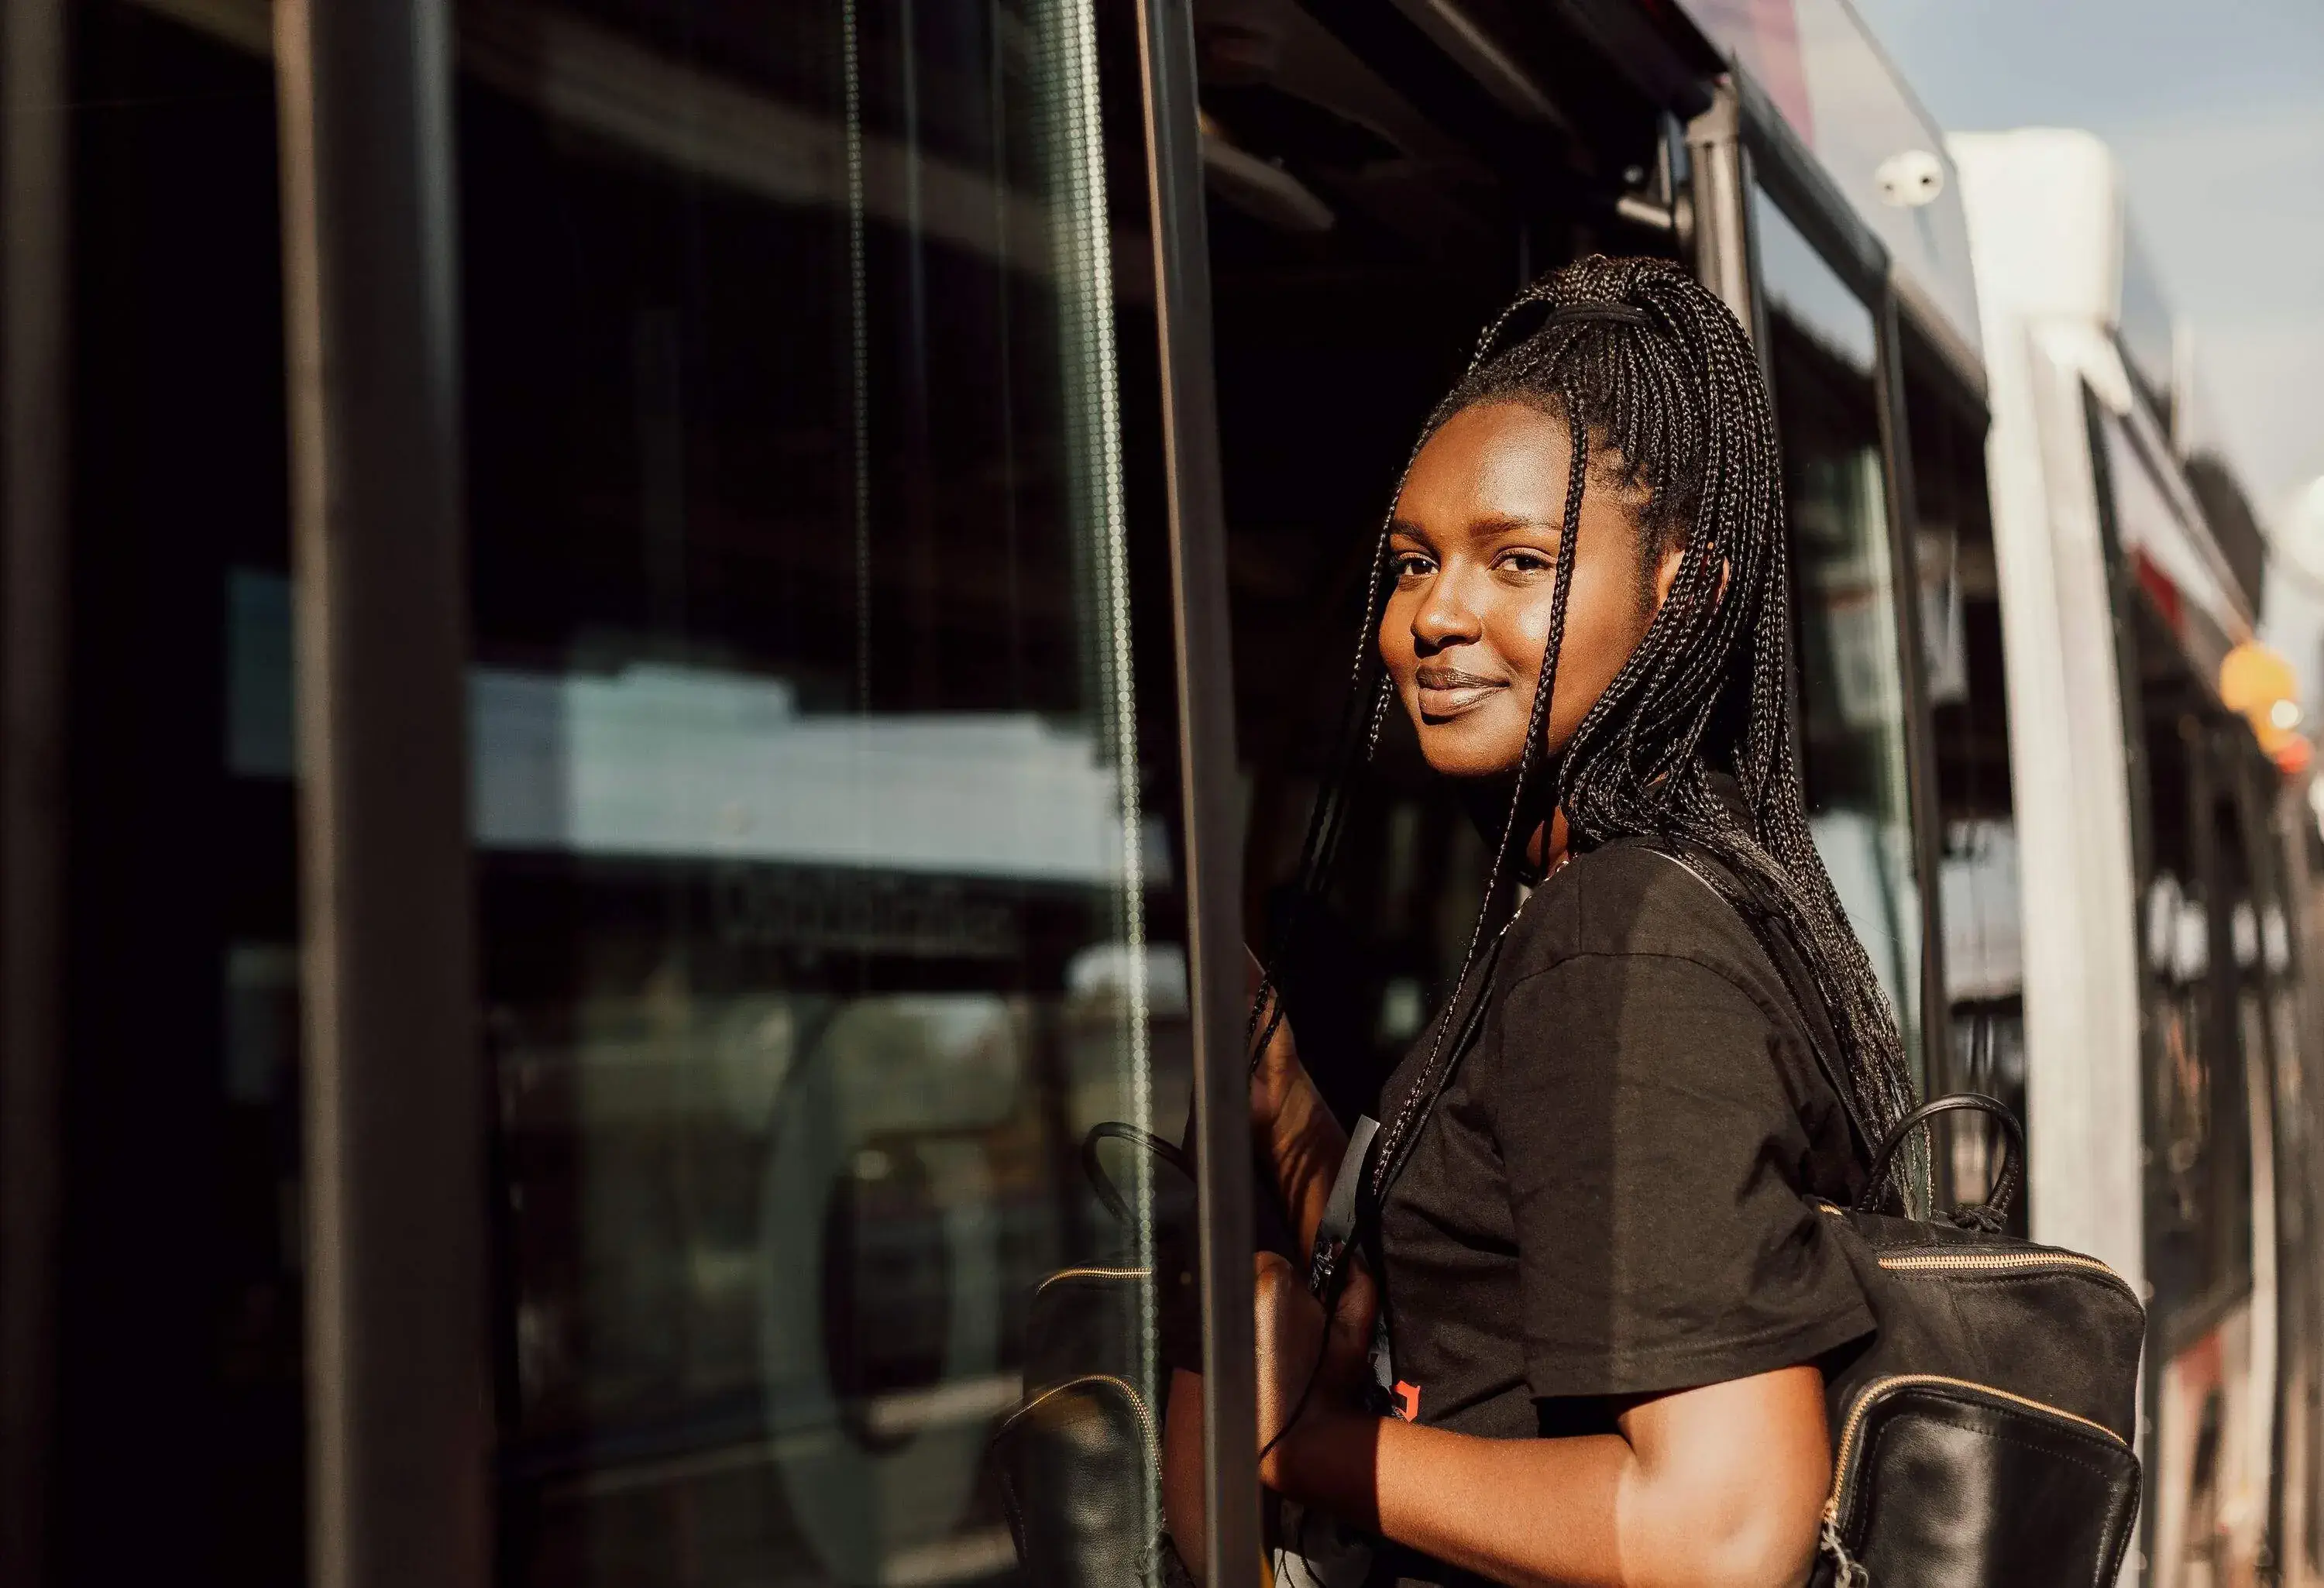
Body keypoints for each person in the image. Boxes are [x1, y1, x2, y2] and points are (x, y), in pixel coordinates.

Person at [1160, 254, 1920, 1588]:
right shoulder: (1679, 891)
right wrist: (1287, 1104)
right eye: (1409, 565)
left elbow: (1720, 1532)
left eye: (1519, 561)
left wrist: (1291, 1450)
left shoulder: (1619, 932)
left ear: (1688, 589)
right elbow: (1512, 1297)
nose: (1434, 616)